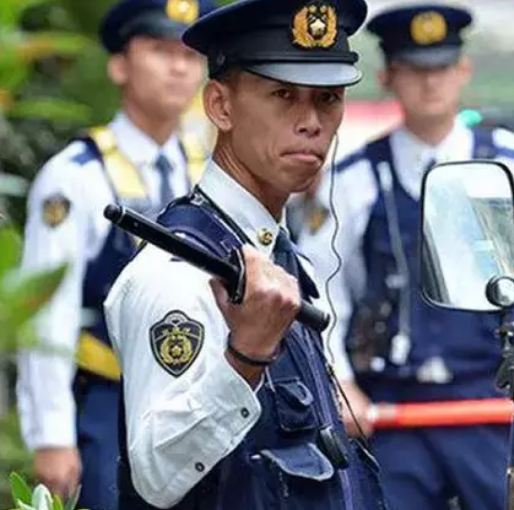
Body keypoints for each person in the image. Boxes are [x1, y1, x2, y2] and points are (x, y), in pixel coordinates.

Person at [103, 1, 387, 509]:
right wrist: (245, 356)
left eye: (327, 98)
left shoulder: (274, 251)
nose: (311, 122)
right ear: (220, 106)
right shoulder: (178, 273)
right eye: (282, 95)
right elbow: (156, 474)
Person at [295, 4, 514, 510]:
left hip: (492, 405)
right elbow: (324, 287)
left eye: (442, 68)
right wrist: (340, 382)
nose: (431, 84)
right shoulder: (356, 176)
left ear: (464, 72)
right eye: (415, 70)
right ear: (388, 77)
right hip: (391, 411)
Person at [15, 0, 213, 507]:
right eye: (159, 50)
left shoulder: (212, 174)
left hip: (200, 402)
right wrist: (51, 434)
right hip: (109, 404)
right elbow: (47, 313)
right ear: (119, 65)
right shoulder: (76, 175)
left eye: (190, 54)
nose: (178, 66)